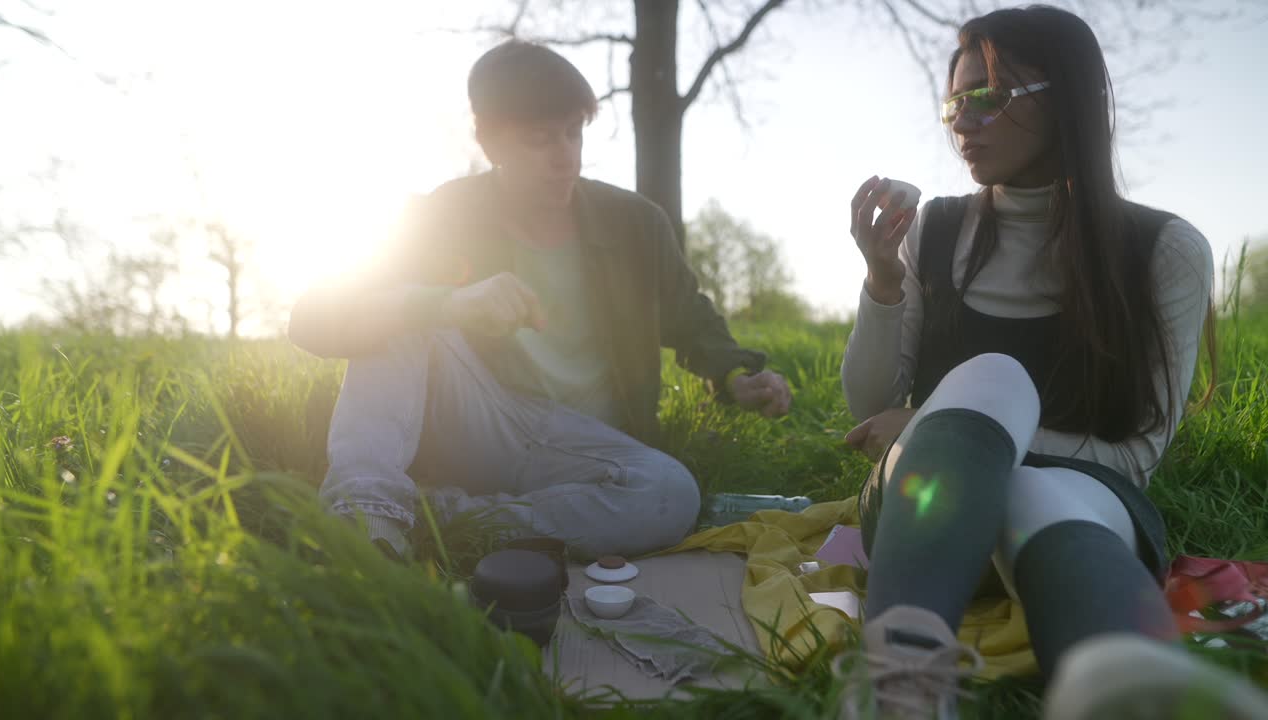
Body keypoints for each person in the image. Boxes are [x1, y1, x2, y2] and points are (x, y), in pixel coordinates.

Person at [836, 5, 1267, 719]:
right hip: (926, 514)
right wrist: (882, 282)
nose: (961, 122)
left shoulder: (1163, 250)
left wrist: (952, 428)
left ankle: (1132, 690)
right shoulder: (934, 232)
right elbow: (865, 406)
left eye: (988, 98)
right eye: (955, 101)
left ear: (1068, 99)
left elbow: (1136, 458)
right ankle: (901, 678)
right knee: (996, 377)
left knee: (1040, 492)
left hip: (1081, 509)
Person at [288, 40, 792, 563]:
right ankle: (365, 526)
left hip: (590, 446)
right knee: (398, 309)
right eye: (539, 140)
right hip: (482, 417)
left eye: (574, 134)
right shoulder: (444, 214)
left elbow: (692, 319)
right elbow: (312, 318)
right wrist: (447, 303)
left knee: (671, 495)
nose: (565, 157)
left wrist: (735, 376)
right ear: (488, 140)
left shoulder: (636, 224)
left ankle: (444, 520)